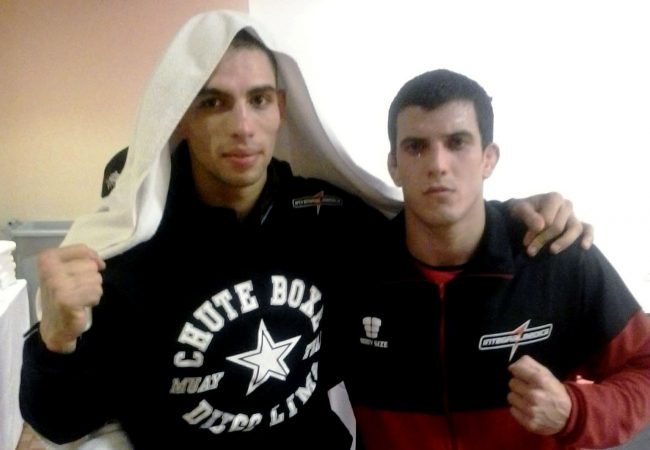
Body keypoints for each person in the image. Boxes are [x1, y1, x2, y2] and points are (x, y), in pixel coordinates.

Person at [20, 11, 590, 450]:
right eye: (214, 102)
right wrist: (57, 340)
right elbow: (59, 422)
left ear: (281, 109)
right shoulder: (129, 249)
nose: (243, 126)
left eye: (259, 100)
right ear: (183, 117)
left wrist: (512, 213)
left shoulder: (327, 216)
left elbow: (427, 221)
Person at [344, 68, 650, 450]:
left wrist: (575, 413)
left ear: (488, 158)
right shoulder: (353, 269)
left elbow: (645, 366)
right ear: (394, 165)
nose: (438, 164)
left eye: (457, 143)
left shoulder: (554, 256)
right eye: (416, 147)